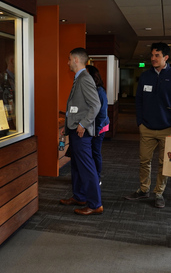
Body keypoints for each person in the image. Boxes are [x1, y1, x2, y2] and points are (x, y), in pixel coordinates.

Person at [125, 42, 171, 208]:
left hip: (168, 128)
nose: (153, 58)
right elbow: (138, 100)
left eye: (157, 55)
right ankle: (143, 189)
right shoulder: (146, 76)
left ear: (166, 57)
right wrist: (140, 122)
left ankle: (158, 192)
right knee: (144, 160)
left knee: (163, 163)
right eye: (152, 55)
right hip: (146, 127)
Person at [60, 47, 102, 215]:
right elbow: (76, 107)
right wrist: (68, 122)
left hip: (81, 132)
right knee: (77, 166)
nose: (68, 62)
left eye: (69, 59)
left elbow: (96, 105)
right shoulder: (79, 78)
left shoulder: (84, 78)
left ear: (76, 60)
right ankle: (80, 196)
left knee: (86, 167)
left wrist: (83, 124)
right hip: (74, 128)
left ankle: (95, 204)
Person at [86, 65, 110, 184]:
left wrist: (97, 129)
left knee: (95, 152)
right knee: (90, 152)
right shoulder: (90, 89)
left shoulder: (99, 91)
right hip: (92, 127)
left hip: (99, 127)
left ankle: (97, 178)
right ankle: (91, 176)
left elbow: (102, 112)